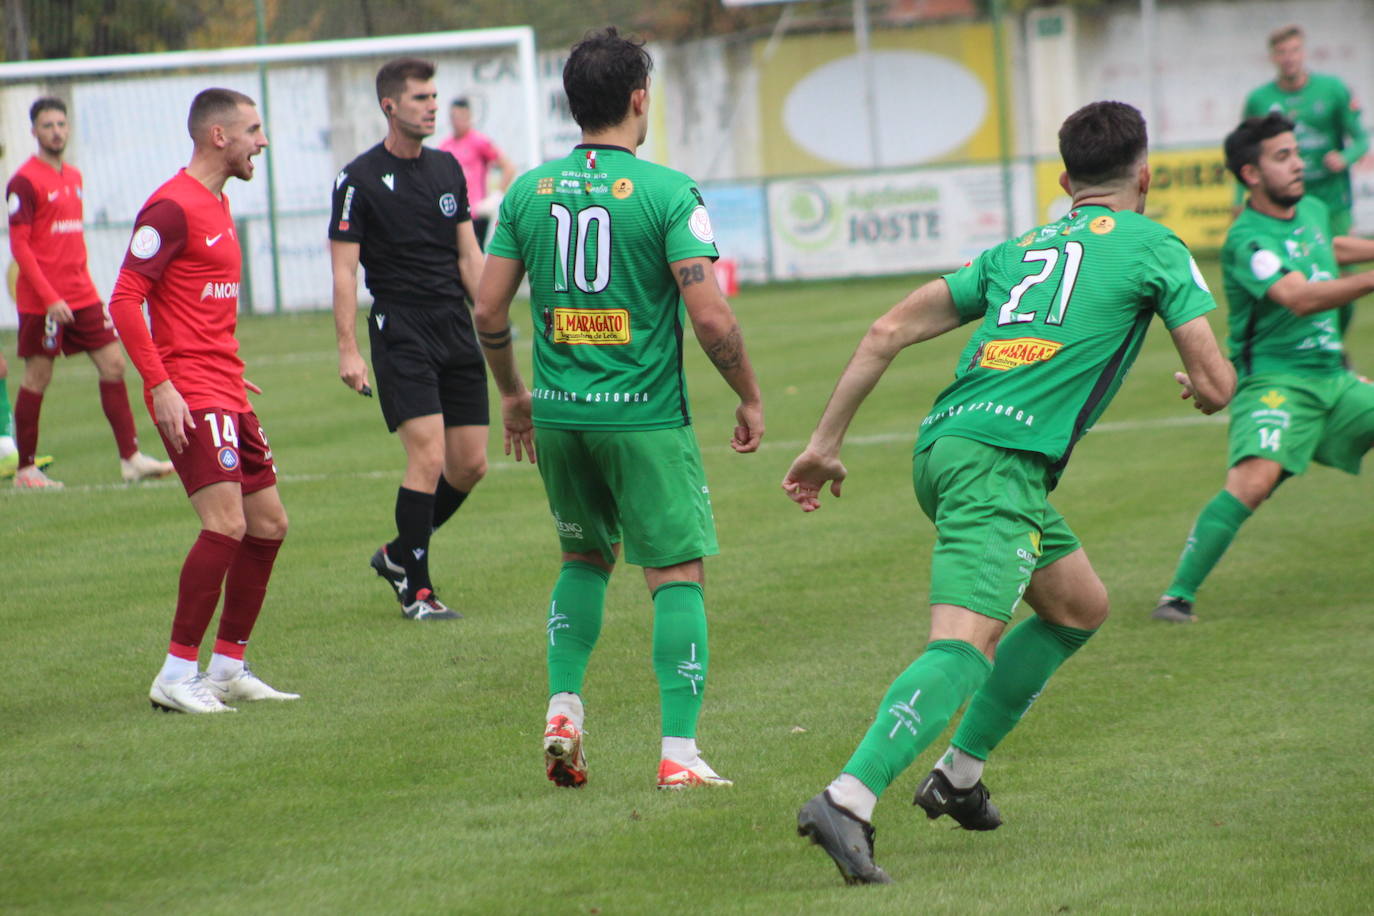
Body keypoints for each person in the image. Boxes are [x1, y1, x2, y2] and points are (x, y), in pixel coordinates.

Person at [781, 101, 1235, 884]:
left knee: (1078, 607)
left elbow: (886, 331)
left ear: (1065, 181)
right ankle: (847, 798)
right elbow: (1218, 381)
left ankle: (957, 777)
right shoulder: (1157, 245)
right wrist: (1203, 387)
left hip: (946, 446)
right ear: (1146, 176)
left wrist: (824, 445)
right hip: (1001, 462)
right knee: (964, 646)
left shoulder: (1020, 248)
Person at [474, 27, 764, 790]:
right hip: (643, 420)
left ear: (574, 104)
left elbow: (488, 308)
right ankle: (679, 755)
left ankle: (564, 706)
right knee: (676, 574)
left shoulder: (528, 191)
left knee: (582, 559)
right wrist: (749, 395)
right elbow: (711, 318)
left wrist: (514, 396)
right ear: (640, 99)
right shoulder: (670, 193)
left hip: (561, 417)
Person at [107, 88, 297, 714]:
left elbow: (199, 307)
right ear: (219, 136)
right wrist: (160, 384)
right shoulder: (171, 208)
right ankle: (175, 672)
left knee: (268, 524)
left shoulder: (219, 204)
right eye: (253, 129)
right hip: (188, 391)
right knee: (225, 525)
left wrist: (232, 373)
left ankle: (227, 667)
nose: (261, 142)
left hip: (226, 387)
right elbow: (125, 298)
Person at [1153, 114, 1374, 624]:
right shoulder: (1245, 240)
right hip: (1275, 383)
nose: (1299, 163)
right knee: (1254, 481)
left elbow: (1329, 246)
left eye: (1296, 152)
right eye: (1283, 157)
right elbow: (1296, 297)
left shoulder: (1313, 209)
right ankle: (1176, 597)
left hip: (1334, 380)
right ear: (1251, 174)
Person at [330, 58, 489, 621]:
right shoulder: (357, 179)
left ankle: (398, 553)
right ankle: (416, 590)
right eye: (421, 97)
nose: (432, 105)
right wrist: (348, 348)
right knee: (428, 456)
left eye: (435, 96)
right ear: (389, 106)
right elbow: (345, 273)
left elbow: (469, 257)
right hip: (400, 327)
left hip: (455, 325)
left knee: (469, 465)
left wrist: (493, 318)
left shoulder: (448, 169)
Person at [6, 96, 173, 489]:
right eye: (47, 125)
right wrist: (50, 298)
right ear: (34, 132)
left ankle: (131, 459)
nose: (56, 132)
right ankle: (26, 470)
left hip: (82, 295)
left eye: (61, 124)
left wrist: (85, 289)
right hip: (44, 302)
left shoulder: (74, 177)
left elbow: (69, 244)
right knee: (37, 376)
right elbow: (21, 247)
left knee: (114, 364)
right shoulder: (24, 181)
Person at [1241, 25, 1369, 337]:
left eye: (1294, 50)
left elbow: (1361, 139)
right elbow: (1244, 153)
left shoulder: (1333, 89)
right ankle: (1305, 344)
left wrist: (1345, 157)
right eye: (1282, 52)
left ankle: (1332, 346)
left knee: (1340, 282)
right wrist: (1238, 198)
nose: (1289, 58)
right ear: (1272, 57)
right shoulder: (1260, 100)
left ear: (1304, 52)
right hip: (1289, 204)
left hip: (1333, 201)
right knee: (1299, 278)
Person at [437, 96, 514, 250]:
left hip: (475, 213)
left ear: (469, 117)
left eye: (462, 117)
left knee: (474, 254)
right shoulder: (445, 146)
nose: (457, 121)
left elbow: (508, 167)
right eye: (454, 117)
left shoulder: (479, 141)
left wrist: (496, 195)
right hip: (453, 214)